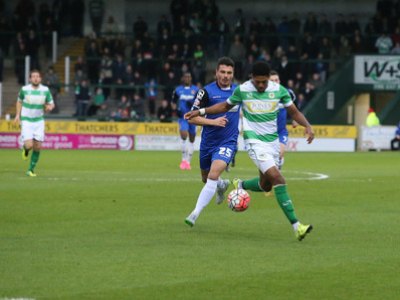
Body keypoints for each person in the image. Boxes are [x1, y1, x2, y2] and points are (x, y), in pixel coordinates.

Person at [185, 61, 315, 241]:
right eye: (258, 82)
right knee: (278, 178)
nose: (261, 85)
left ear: (268, 79)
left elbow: (293, 111)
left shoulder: (279, 90)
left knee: (266, 184)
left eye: (264, 82)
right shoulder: (243, 90)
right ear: (252, 78)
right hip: (254, 143)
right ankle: (297, 226)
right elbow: (224, 106)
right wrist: (201, 112)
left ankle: (241, 185)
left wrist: (307, 125)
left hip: (272, 144)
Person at [184, 57, 239, 227]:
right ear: (216, 72)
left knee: (213, 175)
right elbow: (191, 119)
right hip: (208, 143)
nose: (225, 76)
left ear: (233, 74)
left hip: (228, 142)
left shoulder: (239, 92)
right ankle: (221, 185)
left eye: (229, 73)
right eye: (222, 72)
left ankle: (195, 213)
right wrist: (213, 122)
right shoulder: (205, 92)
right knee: (206, 178)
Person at [14, 70, 54, 177]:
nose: (35, 78)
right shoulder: (24, 89)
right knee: (29, 145)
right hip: (26, 120)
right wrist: (18, 115)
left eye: (37, 76)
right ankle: (25, 149)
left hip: (39, 121)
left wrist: (49, 107)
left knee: (37, 146)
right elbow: (19, 101)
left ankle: (30, 170)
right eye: (33, 76)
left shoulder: (45, 90)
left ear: (40, 79)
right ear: (30, 79)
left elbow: (51, 104)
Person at [171, 72, 199, 170]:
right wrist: (175, 110)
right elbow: (173, 102)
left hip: (193, 117)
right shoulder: (178, 90)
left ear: (191, 78)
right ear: (183, 78)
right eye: (185, 77)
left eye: (189, 77)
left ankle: (188, 161)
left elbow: (200, 103)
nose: (187, 78)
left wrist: (195, 106)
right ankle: (183, 160)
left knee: (192, 139)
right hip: (183, 117)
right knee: (183, 136)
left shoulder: (196, 90)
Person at [269, 70, 296, 170]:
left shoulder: (287, 93)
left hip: (281, 131)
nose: (275, 82)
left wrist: (295, 119)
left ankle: (279, 161)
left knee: (279, 154)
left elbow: (293, 107)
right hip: (267, 132)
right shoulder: (262, 95)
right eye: (272, 80)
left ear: (279, 81)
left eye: (276, 80)